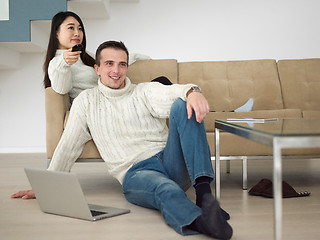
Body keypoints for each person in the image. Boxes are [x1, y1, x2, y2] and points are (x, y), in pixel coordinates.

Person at [12, 41, 233, 239]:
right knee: (166, 189)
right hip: (137, 173)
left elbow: (172, 93)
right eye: (109, 64)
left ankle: (204, 195)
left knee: (182, 102)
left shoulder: (143, 91)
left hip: (170, 161)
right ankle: (201, 222)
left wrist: (192, 91)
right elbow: (68, 145)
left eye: (122, 64)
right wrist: (46, 186)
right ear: (97, 69)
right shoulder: (86, 102)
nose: (116, 70)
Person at [43, 11, 171, 102]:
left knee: (163, 84)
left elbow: (113, 59)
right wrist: (64, 62)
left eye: (80, 29)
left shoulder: (84, 56)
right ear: (56, 33)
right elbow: (61, 89)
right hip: (103, 105)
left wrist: (143, 57)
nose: (77, 33)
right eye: (71, 28)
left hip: (117, 97)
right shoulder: (56, 63)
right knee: (164, 89)